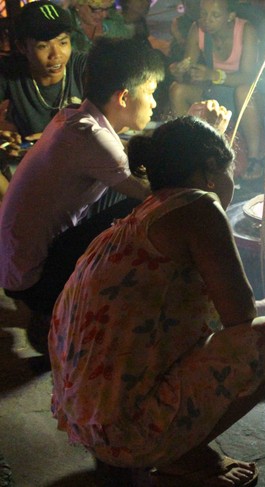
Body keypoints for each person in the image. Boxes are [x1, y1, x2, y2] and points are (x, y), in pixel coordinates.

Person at [49, 115, 265, 486]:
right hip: (128, 435)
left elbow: (186, 312)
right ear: (211, 171)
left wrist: (263, 304)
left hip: (88, 424)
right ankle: (182, 454)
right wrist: (262, 311)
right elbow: (240, 318)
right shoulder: (199, 206)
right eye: (232, 173)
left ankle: (169, 445)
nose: (235, 183)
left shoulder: (145, 213)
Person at [0, 37, 166, 353]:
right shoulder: (97, 140)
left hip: (13, 266)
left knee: (123, 198)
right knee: (145, 207)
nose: (155, 103)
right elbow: (158, 196)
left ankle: (62, 304)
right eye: (151, 93)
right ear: (124, 97)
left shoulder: (73, 118)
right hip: (34, 279)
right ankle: (65, 310)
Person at [168, 0, 264, 180]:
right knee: (177, 90)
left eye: (215, 15)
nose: (207, 20)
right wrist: (179, 70)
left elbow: (249, 77)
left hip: (247, 95)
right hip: (217, 93)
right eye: (203, 14)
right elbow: (188, 69)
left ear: (230, 16)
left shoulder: (245, 31)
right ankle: (188, 151)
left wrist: (214, 75)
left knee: (243, 91)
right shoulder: (198, 30)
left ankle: (254, 158)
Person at [0, 0, 86, 196]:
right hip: (28, 169)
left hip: (79, 168)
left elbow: (115, 120)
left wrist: (58, 136)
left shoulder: (82, 66)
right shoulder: (9, 72)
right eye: (43, 46)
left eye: (63, 42)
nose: (56, 55)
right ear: (22, 47)